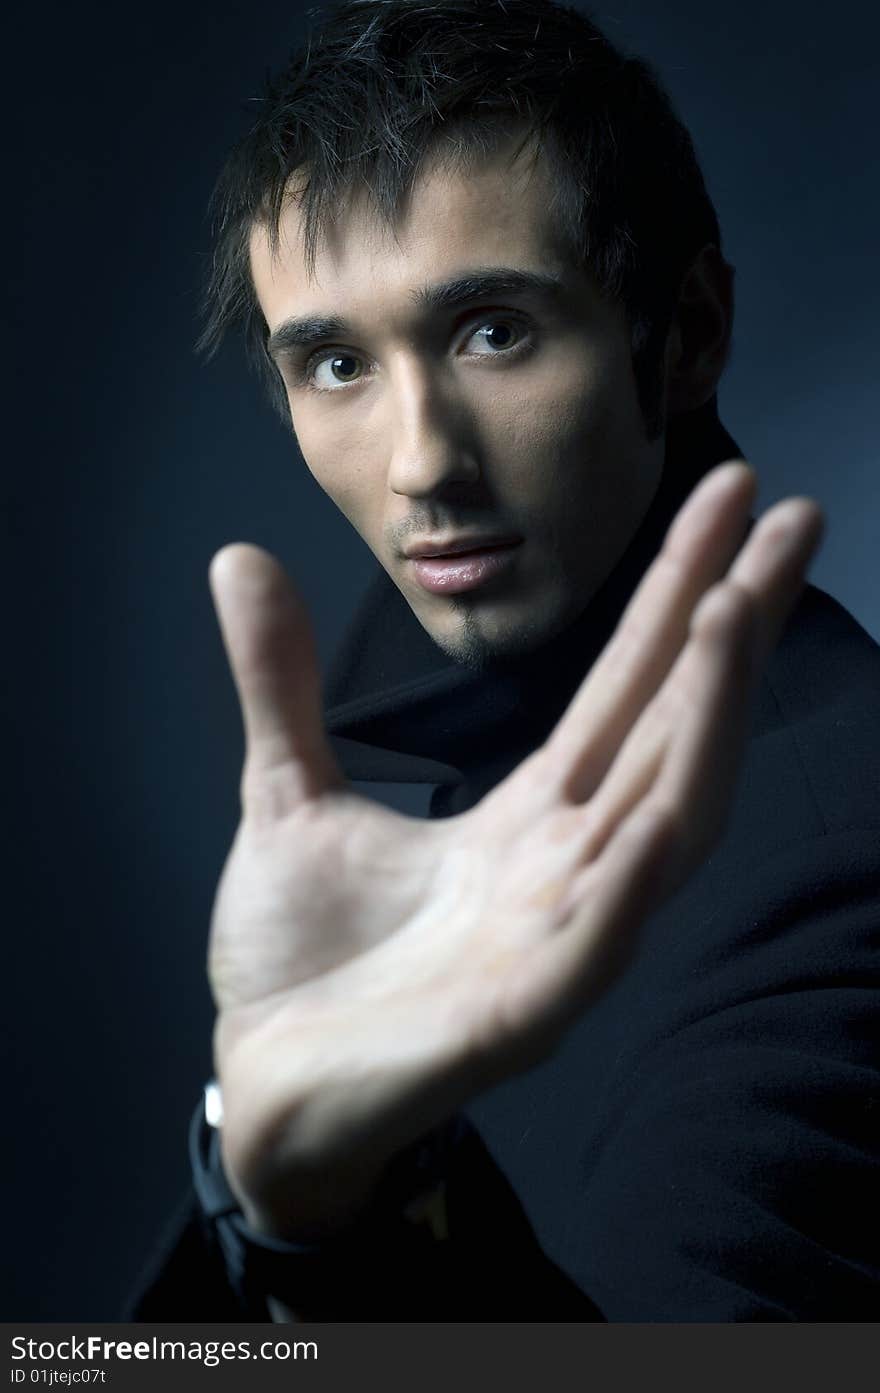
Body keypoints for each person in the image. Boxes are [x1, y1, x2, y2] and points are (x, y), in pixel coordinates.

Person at [128, 0, 880, 1320]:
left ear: (686, 332)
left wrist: (331, 1234)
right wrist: (279, 1179)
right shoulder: (448, 765)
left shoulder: (839, 843)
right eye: (337, 361)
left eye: (492, 330)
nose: (421, 461)